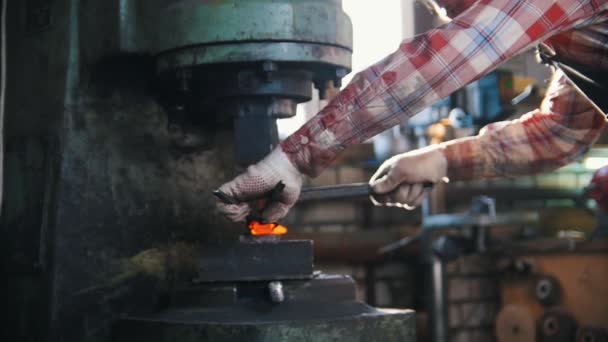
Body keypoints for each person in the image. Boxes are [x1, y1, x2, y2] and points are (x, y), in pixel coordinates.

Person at [216, 0, 608, 222]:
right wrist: (440, 160)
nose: (452, 13)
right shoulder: (572, 32)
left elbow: (446, 58)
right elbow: (561, 134)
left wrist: (295, 159)